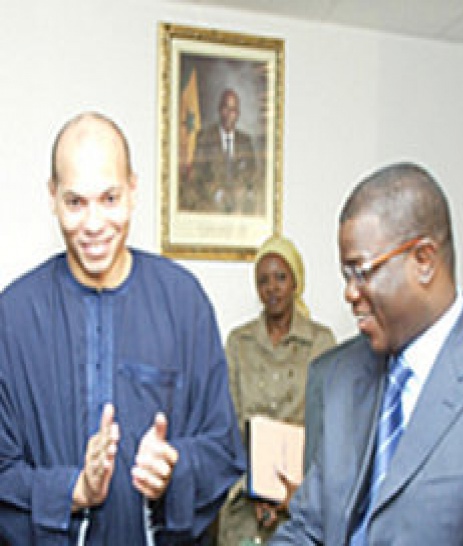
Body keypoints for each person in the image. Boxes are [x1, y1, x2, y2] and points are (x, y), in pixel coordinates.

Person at [271, 162, 463, 545]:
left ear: (424, 260)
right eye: (345, 275)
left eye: (361, 272)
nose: (350, 293)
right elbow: (309, 529)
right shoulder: (335, 377)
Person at [0, 111, 246, 544]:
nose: (94, 225)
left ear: (133, 190)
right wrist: (72, 490)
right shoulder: (13, 317)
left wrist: (173, 469)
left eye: (109, 198)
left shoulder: (183, 301)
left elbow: (222, 450)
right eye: (76, 202)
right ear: (53, 197)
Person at [218, 235, 336, 545]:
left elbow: (327, 430)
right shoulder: (239, 342)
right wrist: (257, 488)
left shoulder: (321, 343)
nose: (272, 288)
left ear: (296, 281)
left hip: (301, 496)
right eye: (263, 281)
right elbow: (227, 423)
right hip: (245, 495)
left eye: (281, 278)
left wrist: (295, 493)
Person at [181, 88, 258, 214]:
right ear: (219, 110)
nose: (229, 114)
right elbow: (197, 176)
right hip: (211, 203)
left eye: (233, 110)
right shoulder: (204, 138)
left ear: (238, 113)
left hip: (239, 205)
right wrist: (217, 193)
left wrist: (244, 191)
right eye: (226, 108)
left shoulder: (245, 141)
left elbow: (253, 174)